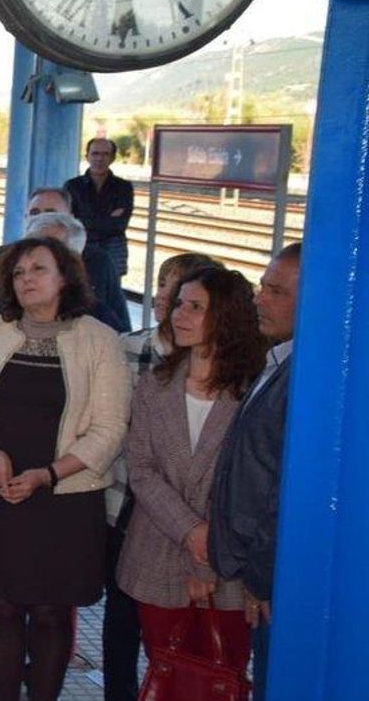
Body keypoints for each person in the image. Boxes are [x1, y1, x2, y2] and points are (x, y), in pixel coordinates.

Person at [0, 236, 130, 701]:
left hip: (65, 497)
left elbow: (110, 430)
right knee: (2, 607)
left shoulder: (100, 340)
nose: (25, 279)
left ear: (65, 277)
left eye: (38, 269)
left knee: (50, 610)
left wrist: (47, 474)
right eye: (18, 272)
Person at [116, 266, 267, 688]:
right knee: (166, 671)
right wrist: (191, 532)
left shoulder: (254, 389)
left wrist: (210, 546)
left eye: (195, 307)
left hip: (231, 563)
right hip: (159, 551)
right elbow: (141, 470)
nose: (178, 314)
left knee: (224, 673)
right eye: (179, 304)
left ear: (227, 317)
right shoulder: (154, 384)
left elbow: (258, 483)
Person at [105, 250, 220, 701]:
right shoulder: (128, 348)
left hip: (194, 519)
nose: (163, 300)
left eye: (180, 295)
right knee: (121, 615)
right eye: (163, 288)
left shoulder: (227, 369)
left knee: (181, 625)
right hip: (127, 505)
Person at [210, 242, 302, 698]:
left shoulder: (305, 378)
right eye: (262, 287)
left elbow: (280, 491)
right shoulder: (281, 359)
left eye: (276, 291)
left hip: (274, 583)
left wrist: (261, 579)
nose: (259, 299)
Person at [0, 188, 130, 332]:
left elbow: (121, 329)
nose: (41, 218)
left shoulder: (99, 266)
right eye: (34, 213)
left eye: (50, 212)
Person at [65, 138, 134, 279]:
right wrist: (107, 218)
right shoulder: (72, 186)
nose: (100, 159)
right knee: (79, 291)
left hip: (113, 250)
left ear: (113, 158)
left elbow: (120, 225)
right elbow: (68, 221)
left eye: (105, 154)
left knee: (110, 294)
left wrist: (86, 221)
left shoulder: (124, 187)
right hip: (80, 246)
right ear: (87, 157)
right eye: (95, 154)